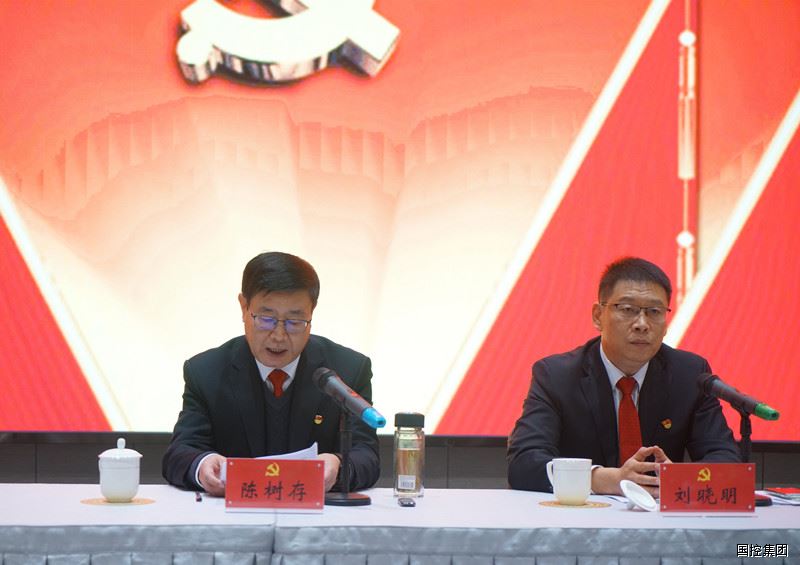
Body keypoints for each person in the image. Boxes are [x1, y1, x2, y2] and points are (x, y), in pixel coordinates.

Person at [507, 257, 740, 496]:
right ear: (598, 315)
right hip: (582, 513)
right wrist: (603, 479)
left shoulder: (689, 374)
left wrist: (679, 479)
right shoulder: (557, 376)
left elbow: (725, 459)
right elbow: (524, 463)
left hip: (658, 513)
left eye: (654, 312)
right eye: (628, 310)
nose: (642, 324)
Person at [162, 251, 380, 495]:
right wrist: (202, 464)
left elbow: (367, 455)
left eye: (295, 322)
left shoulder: (348, 369)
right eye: (266, 318)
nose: (279, 335)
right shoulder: (206, 372)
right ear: (244, 307)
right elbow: (180, 452)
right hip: (233, 512)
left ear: (312, 314)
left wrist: (339, 465)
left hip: (317, 512)